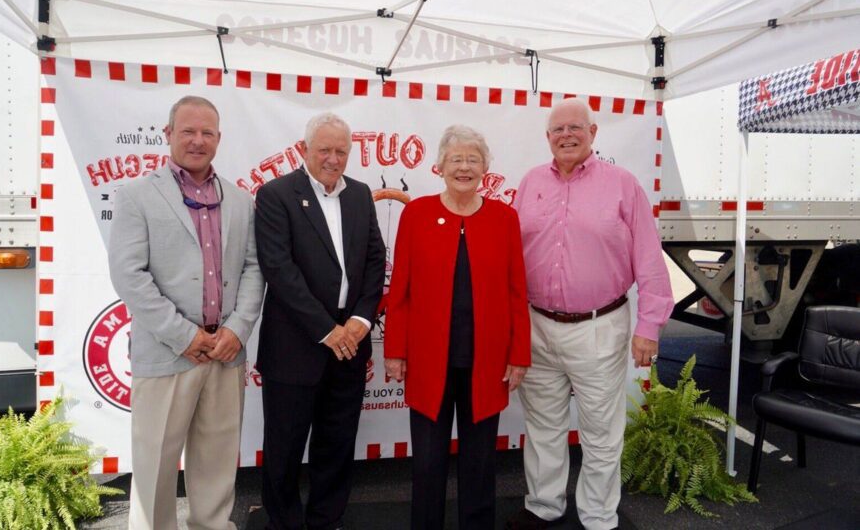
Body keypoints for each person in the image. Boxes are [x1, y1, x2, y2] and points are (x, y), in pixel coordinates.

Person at [506, 98, 674, 530]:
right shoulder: (528, 184)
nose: (566, 135)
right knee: (543, 427)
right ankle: (544, 507)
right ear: (547, 138)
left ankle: (598, 517)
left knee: (601, 432)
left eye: (575, 127)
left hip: (600, 327)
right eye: (558, 129)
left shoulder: (623, 185)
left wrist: (649, 326)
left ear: (593, 133)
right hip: (537, 325)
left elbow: (649, 260)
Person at [108, 95, 263, 530]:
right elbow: (129, 275)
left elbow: (254, 268)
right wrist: (185, 336)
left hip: (225, 352)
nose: (198, 140)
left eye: (207, 132)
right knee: (155, 462)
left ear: (219, 139)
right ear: (168, 135)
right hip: (168, 353)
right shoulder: (137, 195)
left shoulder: (239, 200)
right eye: (188, 131)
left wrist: (238, 329)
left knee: (216, 461)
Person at [384, 125, 531, 530]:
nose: (464, 167)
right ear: (439, 166)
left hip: (487, 363)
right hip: (428, 362)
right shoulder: (416, 214)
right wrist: (395, 350)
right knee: (428, 462)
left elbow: (518, 292)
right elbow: (400, 291)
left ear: (485, 167)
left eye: (473, 159)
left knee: (480, 462)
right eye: (456, 159)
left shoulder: (505, 218)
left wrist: (519, 355)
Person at [254, 112, 386, 530]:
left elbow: (374, 259)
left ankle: (326, 520)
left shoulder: (361, 195)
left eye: (341, 151)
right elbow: (279, 269)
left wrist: (361, 321)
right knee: (285, 448)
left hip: (351, 343)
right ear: (304, 150)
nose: (333, 158)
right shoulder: (276, 194)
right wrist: (329, 331)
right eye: (324, 150)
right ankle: (285, 524)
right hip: (296, 347)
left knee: (337, 444)